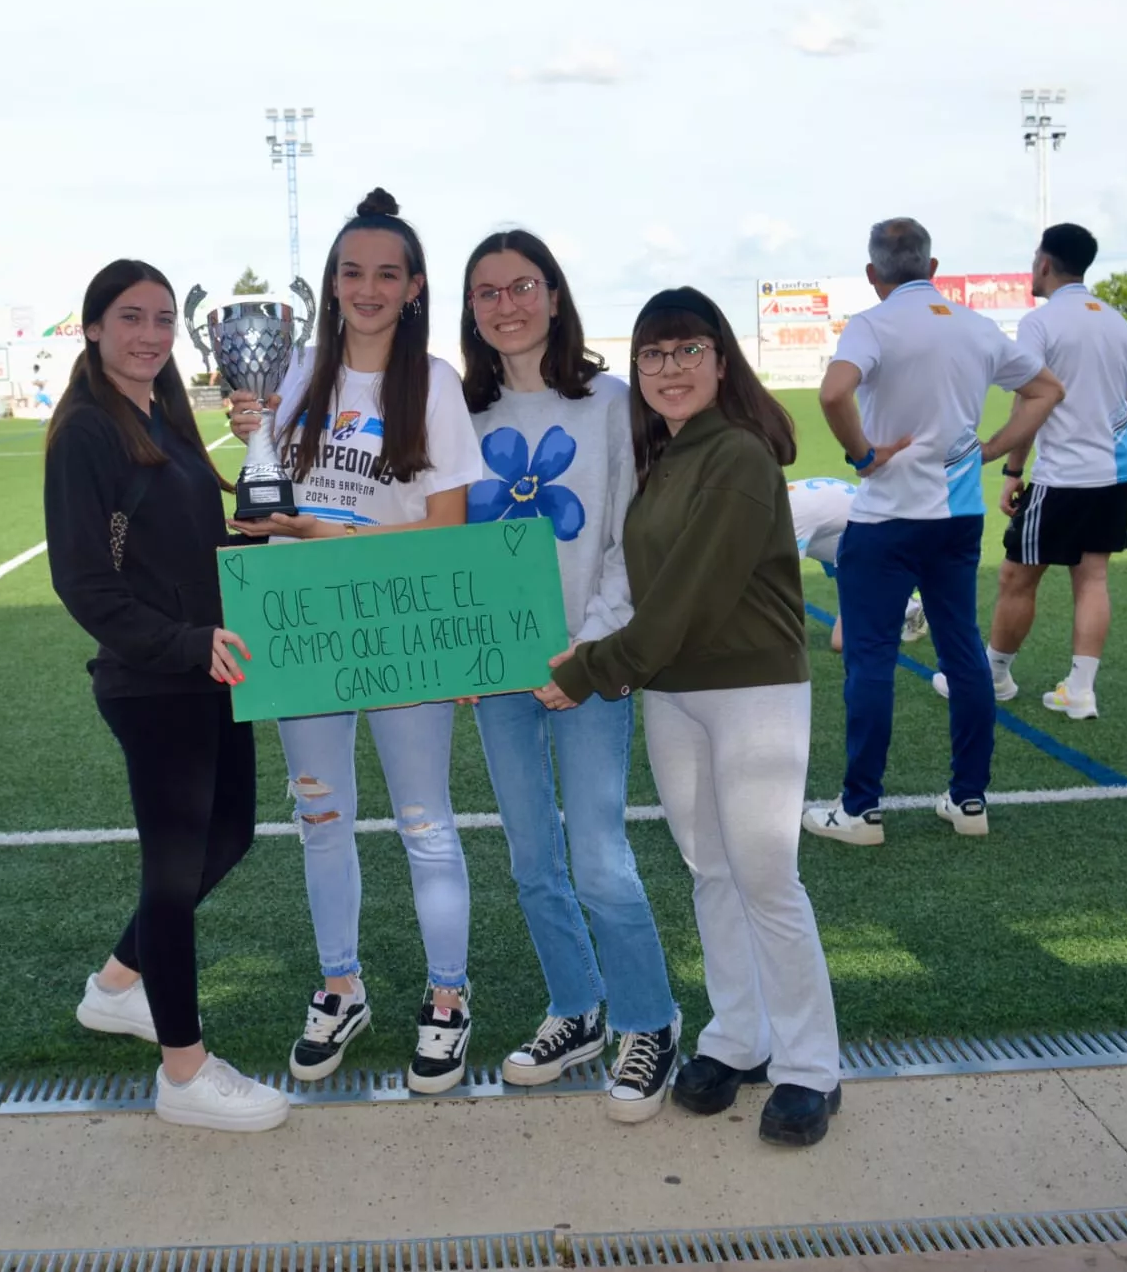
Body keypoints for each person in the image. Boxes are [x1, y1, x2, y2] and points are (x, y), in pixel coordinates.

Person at [546, 287, 842, 1146]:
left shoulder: (741, 456)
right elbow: (645, 594)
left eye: (687, 351)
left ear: (721, 359)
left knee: (765, 877)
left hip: (751, 691)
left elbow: (686, 600)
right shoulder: (666, 458)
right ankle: (738, 1036)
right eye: (653, 355)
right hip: (674, 694)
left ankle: (810, 1065)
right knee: (710, 869)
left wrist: (590, 668)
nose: (669, 370)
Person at [227, 188, 485, 1094]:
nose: (367, 289)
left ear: (414, 287)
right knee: (321, 818)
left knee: (423, 821)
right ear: (331, 285)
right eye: (351, 272)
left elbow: (450, 530)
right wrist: (256, 456)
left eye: (386, 273)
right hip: (305, 626)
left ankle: (447, 999)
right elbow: (267, 510)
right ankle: (342, 986)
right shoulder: (296, 372)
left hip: (401, 622)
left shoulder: (438, 384)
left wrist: (324, 538)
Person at [45, 258, 288, 1133]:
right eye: (130, 318)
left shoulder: (166, 415)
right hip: (158, 679)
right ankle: (183, 1072)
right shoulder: (85, 432)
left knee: (231, 835)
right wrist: (187, 642)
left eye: (160, 320)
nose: (149, 335)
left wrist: (258, 544)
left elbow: (190, 546)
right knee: (175, 868)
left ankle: (117, 986)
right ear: (95, 328)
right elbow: (84, 581)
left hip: (211, 667)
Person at [459, 229, 681, 1123]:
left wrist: (587, 654)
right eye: (487, 293)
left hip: (589, 668)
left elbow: (630, 539)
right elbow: (449, 549)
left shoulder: (609, 404)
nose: (505, 305)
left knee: (600, 859)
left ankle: (651, 1019)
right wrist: (466, 650)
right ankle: (577, 1006)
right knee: (530, 859)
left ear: (554, 296)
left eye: (522, 286)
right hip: (499, 675)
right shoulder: (460, 417)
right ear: (470, 312)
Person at [803, 219, 1063, 848]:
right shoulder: (975, 327)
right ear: (933, 265)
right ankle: (969, 800)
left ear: (873, 274)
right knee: (963, 652)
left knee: (870, 659)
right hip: (956, 519)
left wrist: (863, 456)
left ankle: (862, 810)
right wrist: (994, 446)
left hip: (885, 518)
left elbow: (834, 392)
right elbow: (1046, 389)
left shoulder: (872, 323)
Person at [930, 224, 1127, 722]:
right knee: (1092, 578)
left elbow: (1031, 401)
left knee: (1016, 577)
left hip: (1064, 473)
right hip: (1116, 468)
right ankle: (1080, 690)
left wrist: (1007, 466)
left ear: (1045, 263)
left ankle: (994, 676)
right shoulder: (1117, 322)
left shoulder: (1040, 325)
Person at [787, 475, 926, 653]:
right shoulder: (781, 502)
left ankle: (911, 606)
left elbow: (784, 584)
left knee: (841, 642)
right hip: (849, 532)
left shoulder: (794, 518)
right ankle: (893, 596)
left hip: (876, 539)